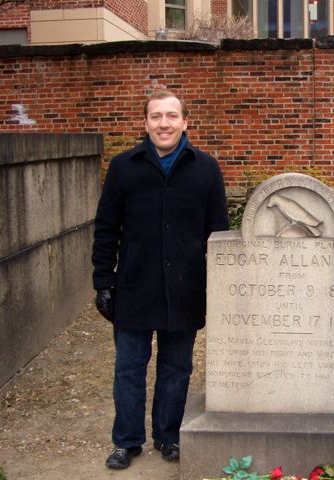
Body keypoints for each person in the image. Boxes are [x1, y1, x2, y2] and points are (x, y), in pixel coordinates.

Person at [91, 90, 229, 470]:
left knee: (176, 367)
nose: (163, 124)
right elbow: (106, 228)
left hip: (185, 287)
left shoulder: (206, 168)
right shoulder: (123, 167)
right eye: (156, 116)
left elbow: (219, 233)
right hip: (134, 286)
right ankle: (127, 439)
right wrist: (103, 280)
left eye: (171, 116)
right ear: (145, 123)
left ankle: (168, 435)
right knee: (129, 368)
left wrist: (217, 286)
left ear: (186, 122)